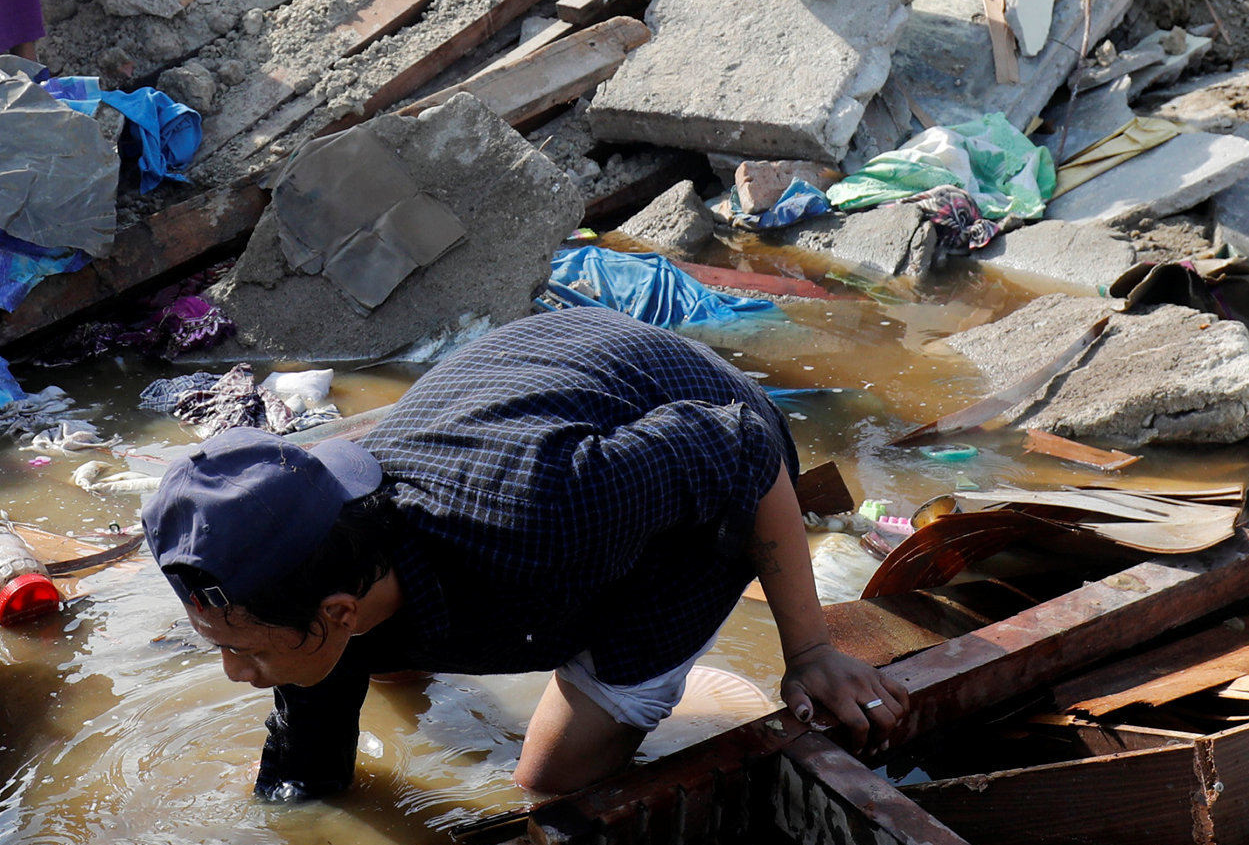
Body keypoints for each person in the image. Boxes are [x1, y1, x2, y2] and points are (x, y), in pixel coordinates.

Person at [142, 305, 910, 804]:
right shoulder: (324, 538)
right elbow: (301, 764)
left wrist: (809, 648)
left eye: (240, 651)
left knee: (553, 787)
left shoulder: (546, 514)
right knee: (347, 679)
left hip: (709, 464)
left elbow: (739, 446)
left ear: (338, 611)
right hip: (552, 398)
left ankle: (688, 687)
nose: (234, 673)